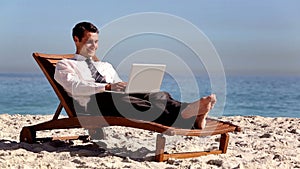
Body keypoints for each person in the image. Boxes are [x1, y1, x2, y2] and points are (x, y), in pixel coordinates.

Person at [54, 21, 216, 129]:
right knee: (123, 100)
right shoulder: (65, 64)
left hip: (112, 96)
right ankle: (187, 115)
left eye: (96, 42)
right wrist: (108, 86)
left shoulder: (105, 66)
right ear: (76, 39)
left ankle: (189, 113)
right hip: (90, 104)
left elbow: (117, 84)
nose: (94, 46)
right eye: (90, 41)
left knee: (155, 94)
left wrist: (128, 85)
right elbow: (74, 87)